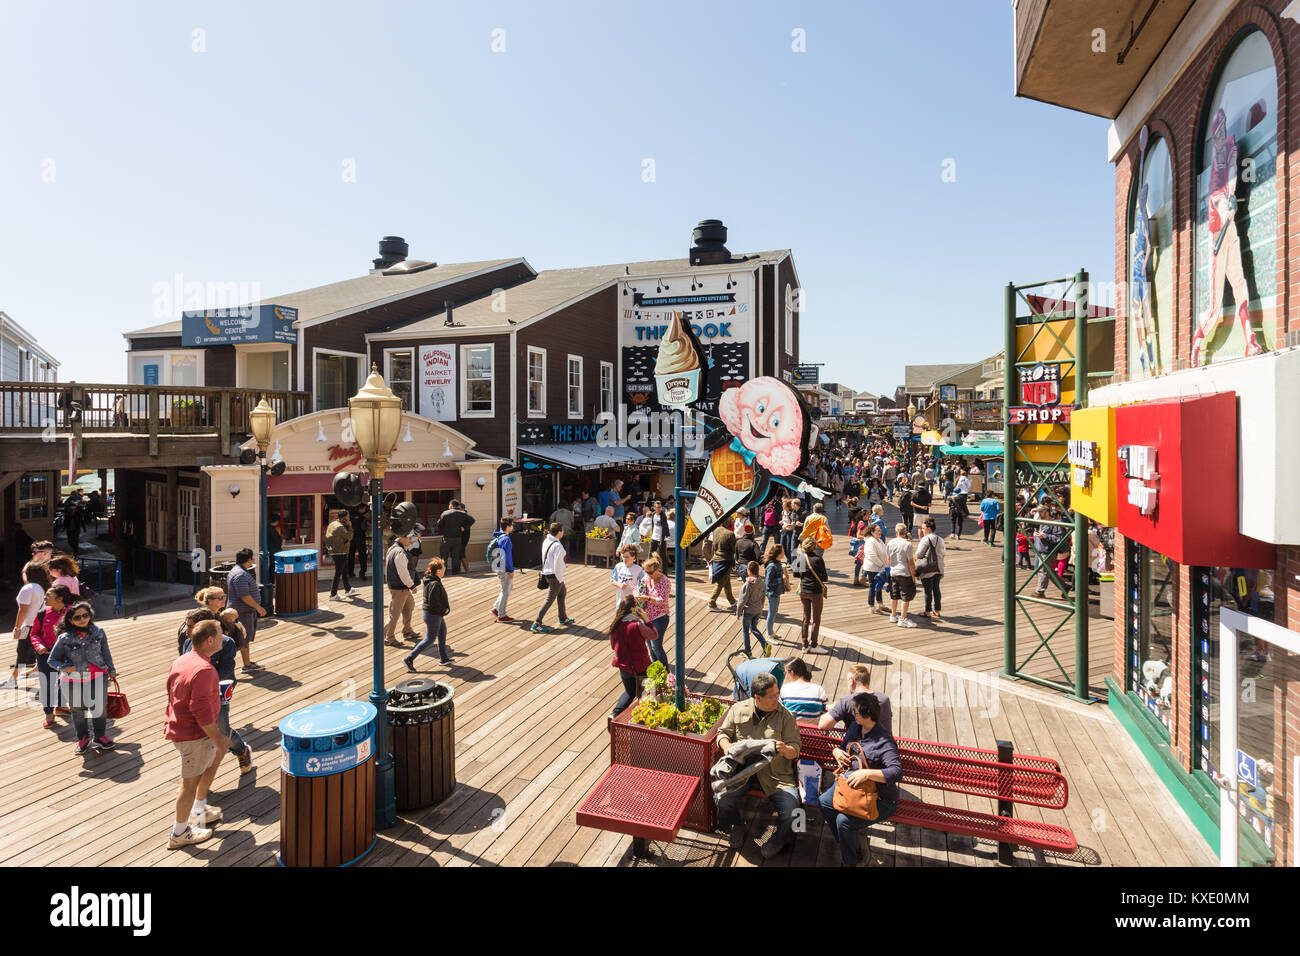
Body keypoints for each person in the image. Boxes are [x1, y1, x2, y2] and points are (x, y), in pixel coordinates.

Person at [715, 672, 801, 859]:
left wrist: (786, 749)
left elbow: (796, 749)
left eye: (778, 693)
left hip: (775, 775)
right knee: (721, 798)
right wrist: (727, 746)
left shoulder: (785, 716)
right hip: (743, 773)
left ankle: (781, 840)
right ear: (757, 697)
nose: (777, 698)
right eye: (772, 696)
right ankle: (736, 825)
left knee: (797, 815)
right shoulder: (737, 709)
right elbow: (722, 734)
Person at [164, 619, 229, 849]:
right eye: (221, 634)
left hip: (182, 727)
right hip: (194, 734)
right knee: (189, 784)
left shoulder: (183, 660)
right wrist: (217, 737)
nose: (224, 637)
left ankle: (199, 809)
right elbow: (200, 710)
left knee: (205, 768)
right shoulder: (204, 669)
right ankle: (179, 832)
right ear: (210, 640)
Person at [818, 692, 902, 866]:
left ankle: (852, 860)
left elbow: (896, 771)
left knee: (844, 821)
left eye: (855, 712)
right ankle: (848, 843)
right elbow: (844, 747)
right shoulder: (856, 727)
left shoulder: (884, 741)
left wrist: (867, 773)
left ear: (867, 715)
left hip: (879, 798)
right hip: (850, 785)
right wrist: (836, 751)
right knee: (825, 802)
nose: (852, 714)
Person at [179, 608, 253, 774]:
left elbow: (227, 670)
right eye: (187, 626)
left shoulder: (225, 643)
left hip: (218, 691)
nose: (187, 630)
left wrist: (202, 679)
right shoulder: (187, 642)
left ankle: (241, 750)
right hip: (194, 693)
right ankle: (198, 771)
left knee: (222, 729)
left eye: (190, 626)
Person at [47, 601, 117, 754]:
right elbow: (52, 660)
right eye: (77, 617)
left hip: (99, 676)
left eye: (85, 615)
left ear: (90, 615)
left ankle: (100, 736)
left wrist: (112, 670)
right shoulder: (64, 638)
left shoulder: (99, 632)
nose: (82, 619)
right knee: (78, 711)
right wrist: (65, 668)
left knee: (99, 709)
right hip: (72, 680)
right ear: (70, 620)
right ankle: (83, 738)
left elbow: (106, 652)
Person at [5, 561, 49, 689]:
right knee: (39, 651)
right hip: (40, 623)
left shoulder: (28, 588)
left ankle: (13, 680)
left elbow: (23, 610)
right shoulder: (43, 587)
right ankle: (34, 672)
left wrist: (17, 627)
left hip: (28, 624)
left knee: (22, 652)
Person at [818, 664, 893, 738]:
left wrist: (834, 709)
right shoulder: (884, 699)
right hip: (883, 744)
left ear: (851, 681)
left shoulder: (846, 701)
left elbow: (822, 725)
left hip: (857, 747)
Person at [608, 596, 652, 718]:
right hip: (641, 666)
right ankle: (643, 720)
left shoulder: (615, 625)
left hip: (624, 665)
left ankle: (614, 714)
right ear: (633, 609)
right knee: (645, 693)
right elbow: (654, 635)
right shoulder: (637, 625)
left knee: (629, 692)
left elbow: (613, 646)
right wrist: (646, 620)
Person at [406, 557, 451, 669]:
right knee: (429, 639)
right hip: (433, 615)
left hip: (435, 614)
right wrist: (444, 610)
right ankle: (409, 659)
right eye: (443, 567)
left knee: (442, 633)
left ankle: (444, 658)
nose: (445, 569)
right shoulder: (434, 584)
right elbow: (433, 602)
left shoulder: (432, 580)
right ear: (439, 571)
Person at [224, 549, 265, 672]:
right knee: (242, 639)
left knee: (242, 639)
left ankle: (247, 662)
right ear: (249, 560)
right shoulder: (240, 574)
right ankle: (246, 665)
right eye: (251, 558)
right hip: (242, 613)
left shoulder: (237, 570)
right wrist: (259, 608)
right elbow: (244, 596)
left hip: (242, 611)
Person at [532, 522, 575, 634]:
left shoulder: (547, 540)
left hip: (547, 573)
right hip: (555, 576)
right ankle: (537, 623)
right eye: (563, 531)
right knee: (549, 600)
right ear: (559, 532)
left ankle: (563, 617)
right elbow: (558, 565)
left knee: (562, 592)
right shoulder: (558, 546)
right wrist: (560, 578)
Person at [383, 532, 420, 646]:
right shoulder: (400, 552)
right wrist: (411, 585)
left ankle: (407, 631)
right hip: (401, 587)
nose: (410, 541)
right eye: (409, 539)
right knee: (395, 613)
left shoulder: (393, 548)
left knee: (409, 606)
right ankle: (388, 637)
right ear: (401, 538)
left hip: (399, 586)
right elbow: (402, 573)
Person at [636, 556, 671, 668]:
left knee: (656, 646)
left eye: (650, 572)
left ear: (657, 570)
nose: (648, 574)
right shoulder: (646, 578)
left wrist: (648, 598)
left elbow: (663, 601)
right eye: (646, 572)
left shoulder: (664, 581)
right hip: (646, 617)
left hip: (659, 617)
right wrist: (637, 594)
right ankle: (656, 670)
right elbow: (638, 588)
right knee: (650, 646)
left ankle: (666, 672)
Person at [794, 541, 827, 651]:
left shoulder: (801, 558)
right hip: (816, 591)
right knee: (816, 619)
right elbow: (825, 578)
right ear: (814, 547)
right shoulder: (818, 559)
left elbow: (796, 574)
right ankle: (814, 645)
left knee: (805, 618)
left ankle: (804, 645)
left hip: (804, 590)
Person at [916, 517, 946, 622]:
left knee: (927, 590)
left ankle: (927, 611)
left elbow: (919, 554)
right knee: (936, 588)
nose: (922, 530)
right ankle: (937, 610)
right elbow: (943, 554)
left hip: (928, 567)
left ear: (928, 528)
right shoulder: (940, 539)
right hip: (939, 566)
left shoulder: (925, 539)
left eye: (923, 528)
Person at [887, 523, 918, 628]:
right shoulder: (907, 544)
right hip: (904, 572)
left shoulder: (890, 543)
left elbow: (889, 559)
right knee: (905, 596)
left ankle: (893, 615)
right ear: (905, 533)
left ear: (896, 532)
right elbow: (910, 562)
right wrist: (913, 576)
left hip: (893, 572)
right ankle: (903, 618)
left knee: (894, 595)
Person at [436, 501, 475, 576]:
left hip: (447, 538)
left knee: (444, 557)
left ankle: (443, 573)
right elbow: (472, 520)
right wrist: (464, 527)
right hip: (458, 538)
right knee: (456, 557)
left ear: (451, 505)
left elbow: (439, 524)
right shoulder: (462, 513)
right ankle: (456, 574)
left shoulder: (445, 513)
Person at [489, 518, 516, 623]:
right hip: (504, 568)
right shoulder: (506, 539)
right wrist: (511, 570)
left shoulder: (499, 536)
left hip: (498, 566)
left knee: (507, 588)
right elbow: (507, 556)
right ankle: (502, 615)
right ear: (508, 526)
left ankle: (496, 608)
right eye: (512, 525)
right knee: (506, 591)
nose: (513, 526)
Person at [735, 560, 765, 657]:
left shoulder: (748, 584)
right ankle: (765, 644)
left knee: (745, 630)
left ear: (749, 571)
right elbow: (763, 597)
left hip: (748, 611)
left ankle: (748, 651)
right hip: (758, 609)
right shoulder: (762, 583)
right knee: (754, 628)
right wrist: (761, 610)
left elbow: (742, 600)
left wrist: (738, 613)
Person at [325, 510, 356, 600]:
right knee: (338, 573)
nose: (349, 518)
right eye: (348, 516)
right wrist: (350, 527)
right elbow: (349, 536)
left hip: (337, 551)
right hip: (339, 552)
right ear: (344, 518)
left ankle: (348, 589)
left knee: (344, 571)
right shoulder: (339, 527)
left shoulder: (333, 523)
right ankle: (333, 594)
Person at [706, 523, 737, 610]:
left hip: (717, 559)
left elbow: (714, 546)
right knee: (719, 584)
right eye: (730, 519)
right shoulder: (730, 534)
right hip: (726, 561)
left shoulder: (716, 531)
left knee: (726, 581)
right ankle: (711, 603)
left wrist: (713, 556)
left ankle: (732, 601)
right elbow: (734, 550)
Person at [862, 522, 890, 614]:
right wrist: (882, 564)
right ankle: (871, 606)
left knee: (879, 585)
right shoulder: (870, 541)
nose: (880, 532)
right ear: (872, 532)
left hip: (881, 567)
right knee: (872, 586)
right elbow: (872, 556)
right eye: (877, 531)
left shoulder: (879, 540)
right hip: (873, 568)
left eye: (880, 530)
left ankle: (880, 604)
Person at [762, 543, 786, 643]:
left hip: (777, 592)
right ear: (778, 553)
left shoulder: (777, 563)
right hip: (772, 593)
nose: (784, 552)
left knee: (774, 612)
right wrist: (781, 579)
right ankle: (768, 634)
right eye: (783, 551)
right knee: (771, 614)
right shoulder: (772, 566)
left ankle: (771, 632)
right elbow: (768, 582)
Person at [638, 500, 673, 568]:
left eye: (660, 507)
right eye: (657, 507)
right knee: (650, 554)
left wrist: (662, 540)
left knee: (663, 556)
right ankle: (647, 568)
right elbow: (653, 525)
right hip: (654, 537)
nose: (659, 509)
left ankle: (664, 571)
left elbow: (664, 527)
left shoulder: (663, 516)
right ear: (654, 507)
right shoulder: (653, 514)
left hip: (661, 538)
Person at [347, 504, 370, 580]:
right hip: (360, 538)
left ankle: (350, 572)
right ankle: (362, 573)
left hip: (351, 539)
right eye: (364, 509)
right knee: (362, 556)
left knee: (351, 555)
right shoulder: (363, 518)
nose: (365, 510)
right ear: (361, 508)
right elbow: (365, 528)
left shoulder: (350, 516)